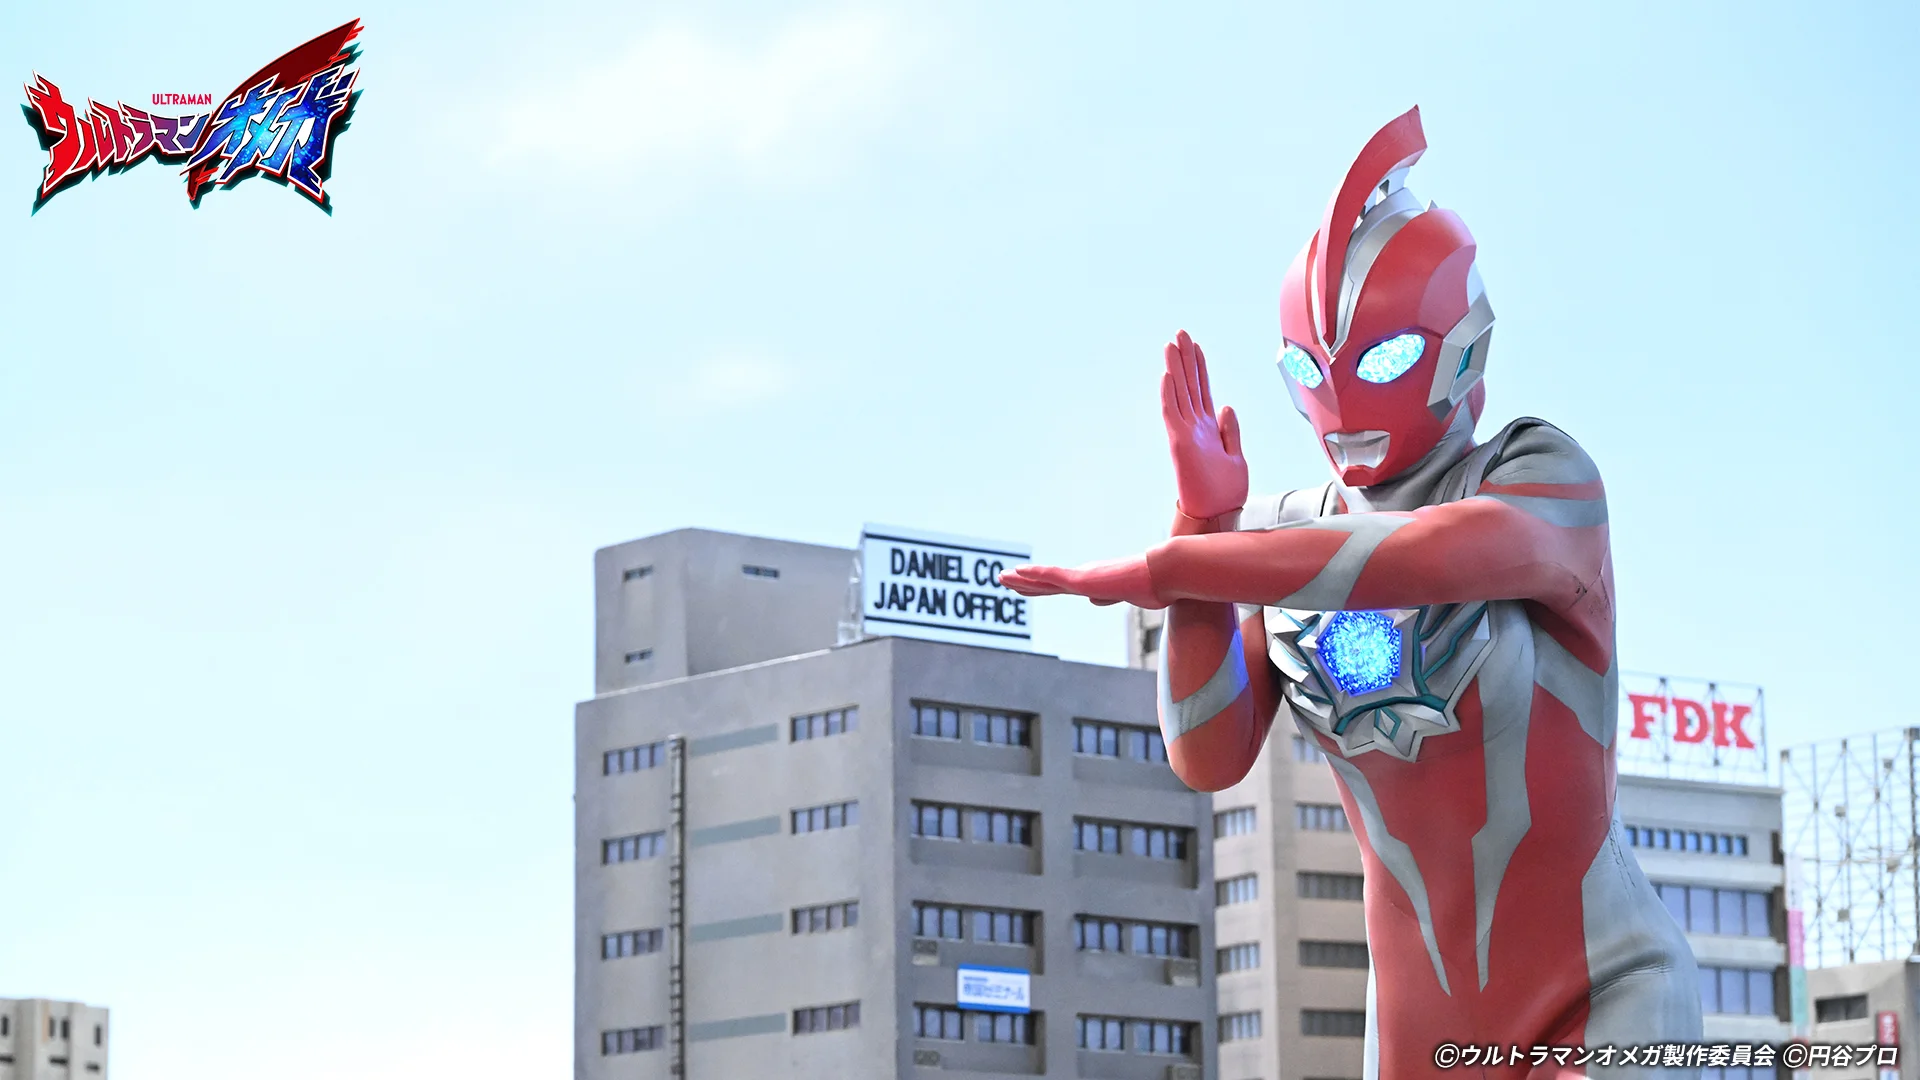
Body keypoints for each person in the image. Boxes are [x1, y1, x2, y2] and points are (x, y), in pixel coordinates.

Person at [999, 107, 1702, 1078]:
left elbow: (1426, 557)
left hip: (1605, 998)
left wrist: (1178, 567)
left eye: (1383, 358)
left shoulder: (1542, 479)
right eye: (1308, 367)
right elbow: (1206, 753)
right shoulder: (1279, 537)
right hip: (1418, 1032)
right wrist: (1201, 523)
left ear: (1461, 344)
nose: (1340, 399)